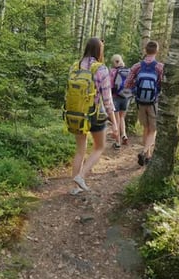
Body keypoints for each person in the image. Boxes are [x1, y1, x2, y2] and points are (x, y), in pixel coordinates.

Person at [70, 37, 119, 195]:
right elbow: (107, 99)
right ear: (99, 51)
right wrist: (115, 123)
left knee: (80, 149)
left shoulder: (75, 66)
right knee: (99, 147)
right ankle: (81, 176)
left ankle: (76, 188)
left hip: (76, 114)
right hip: (95, 115)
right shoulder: (101, 69)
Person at [124, 41, 164, 166]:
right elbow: (162, 84)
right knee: (153, 130)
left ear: (145, 50)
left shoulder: (137, 66)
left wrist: (135, 91)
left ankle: (148, 157)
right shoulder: (160, 67)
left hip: (140, 102)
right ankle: (144, 151)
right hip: (153, 102)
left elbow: (127, 84)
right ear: (157, 51)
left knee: (146, 128)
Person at [109, 54, 132, 149]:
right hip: (126, 97)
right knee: (122, 117)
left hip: (115, 97)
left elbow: (110, 86)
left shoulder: (112, 71)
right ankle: (124, 135)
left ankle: (117, 143)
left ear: (114, 62)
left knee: (116, 120)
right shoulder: (129, 70)